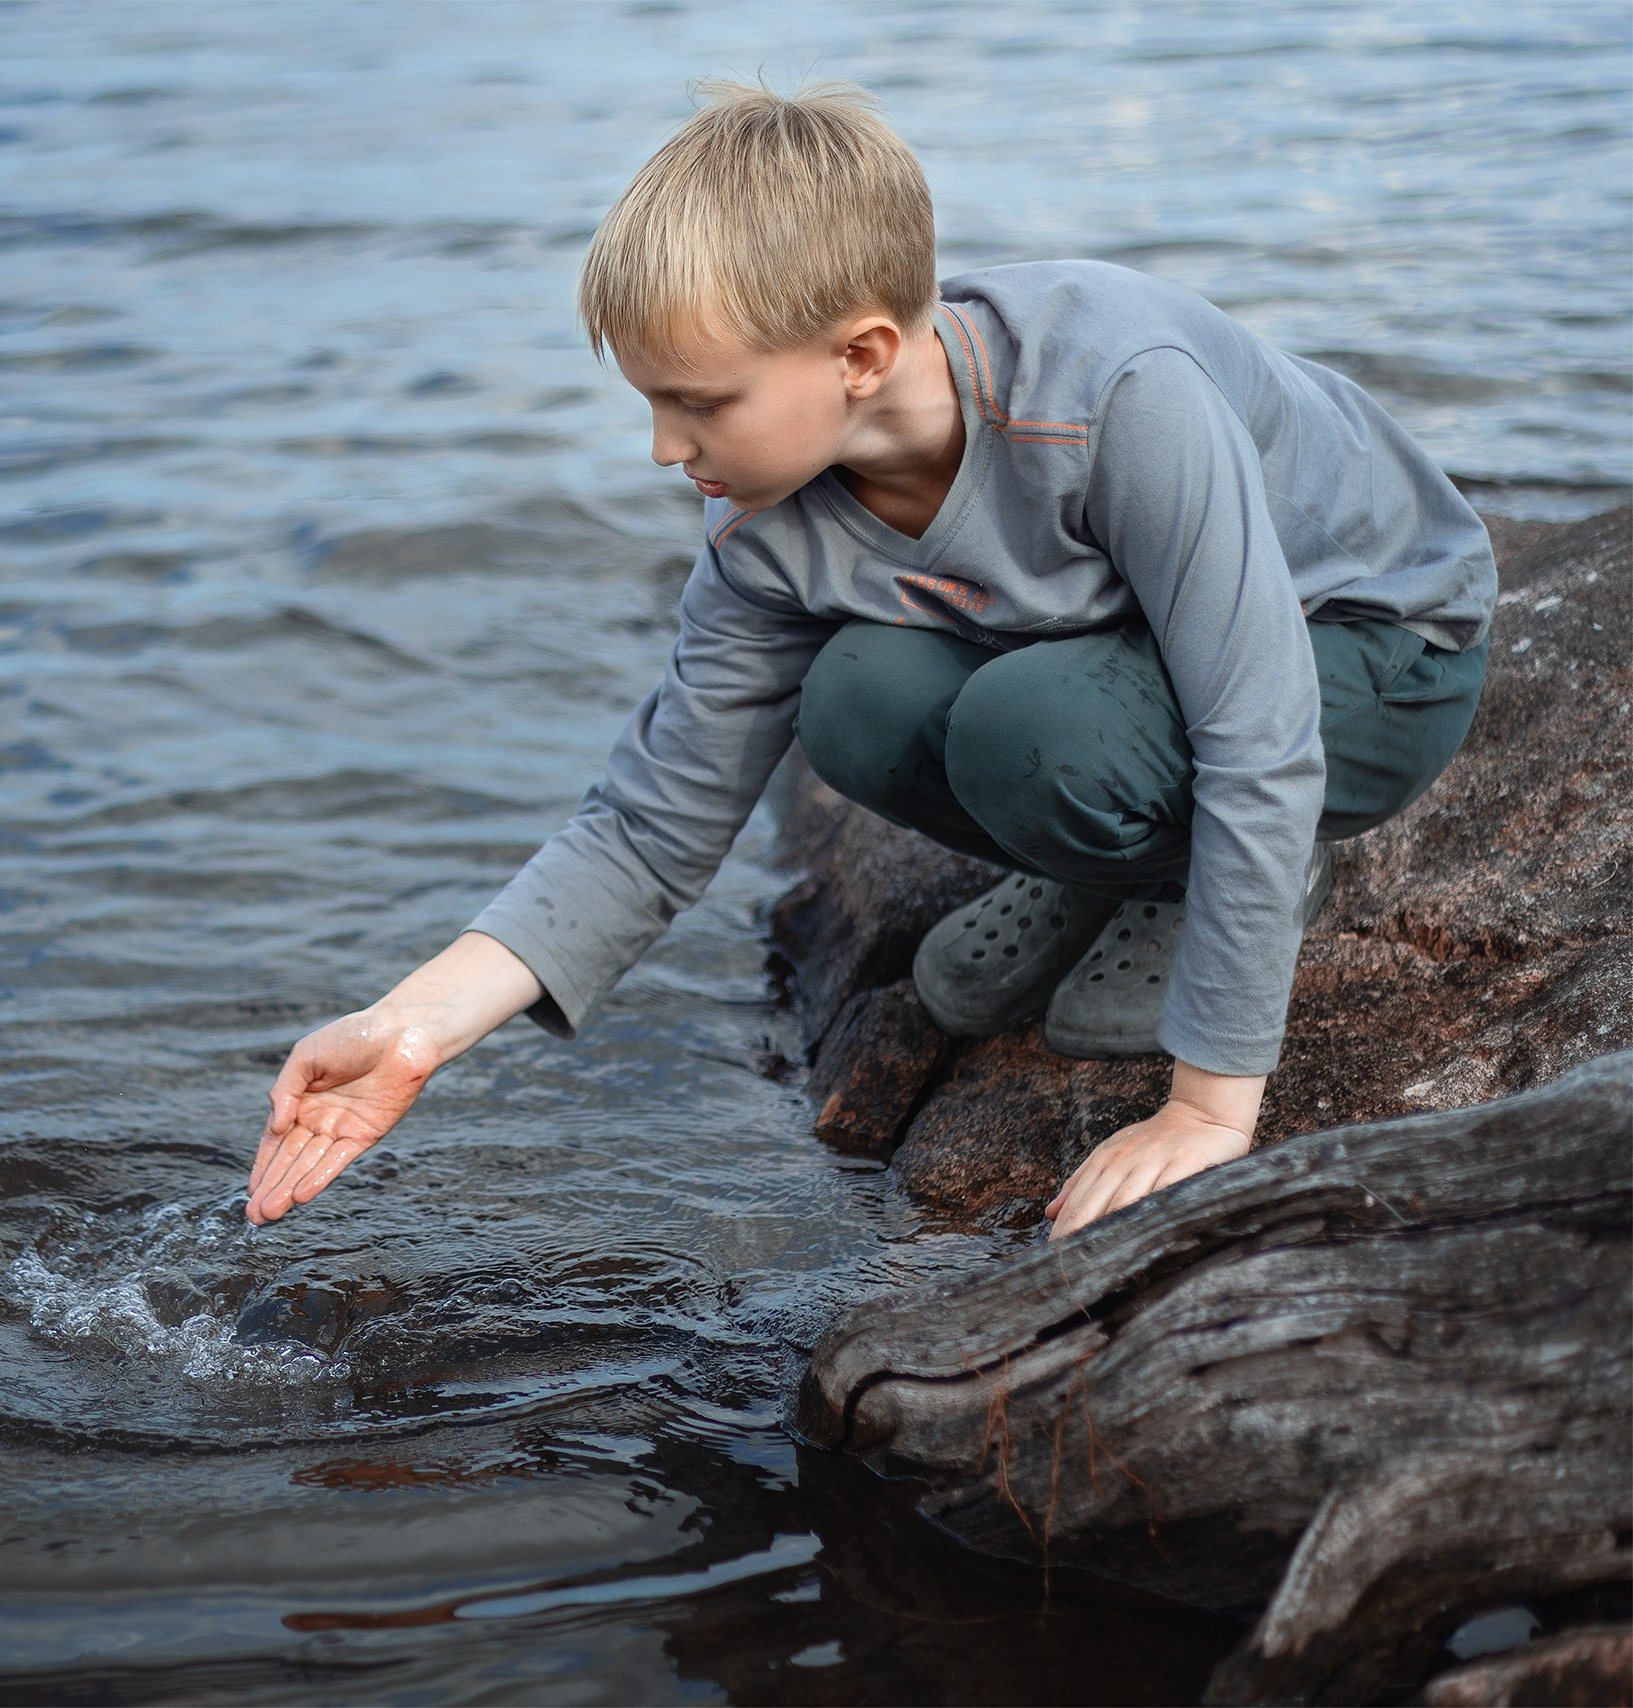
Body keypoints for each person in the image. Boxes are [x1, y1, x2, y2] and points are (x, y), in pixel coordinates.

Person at [243, 81, 1492, 1240]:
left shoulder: (1115, 395)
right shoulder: (762, 525)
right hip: (1129, 652)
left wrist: (1208, 1110)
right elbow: (648, 823)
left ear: (859, 355)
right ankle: (1102, 860)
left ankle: (1183, 881)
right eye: (651, 405)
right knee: (854, 702)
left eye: (700, 402)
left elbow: (1258, 734)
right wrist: (409, 1026)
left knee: (1029, 729)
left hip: (1370, 646)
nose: (666, 449)